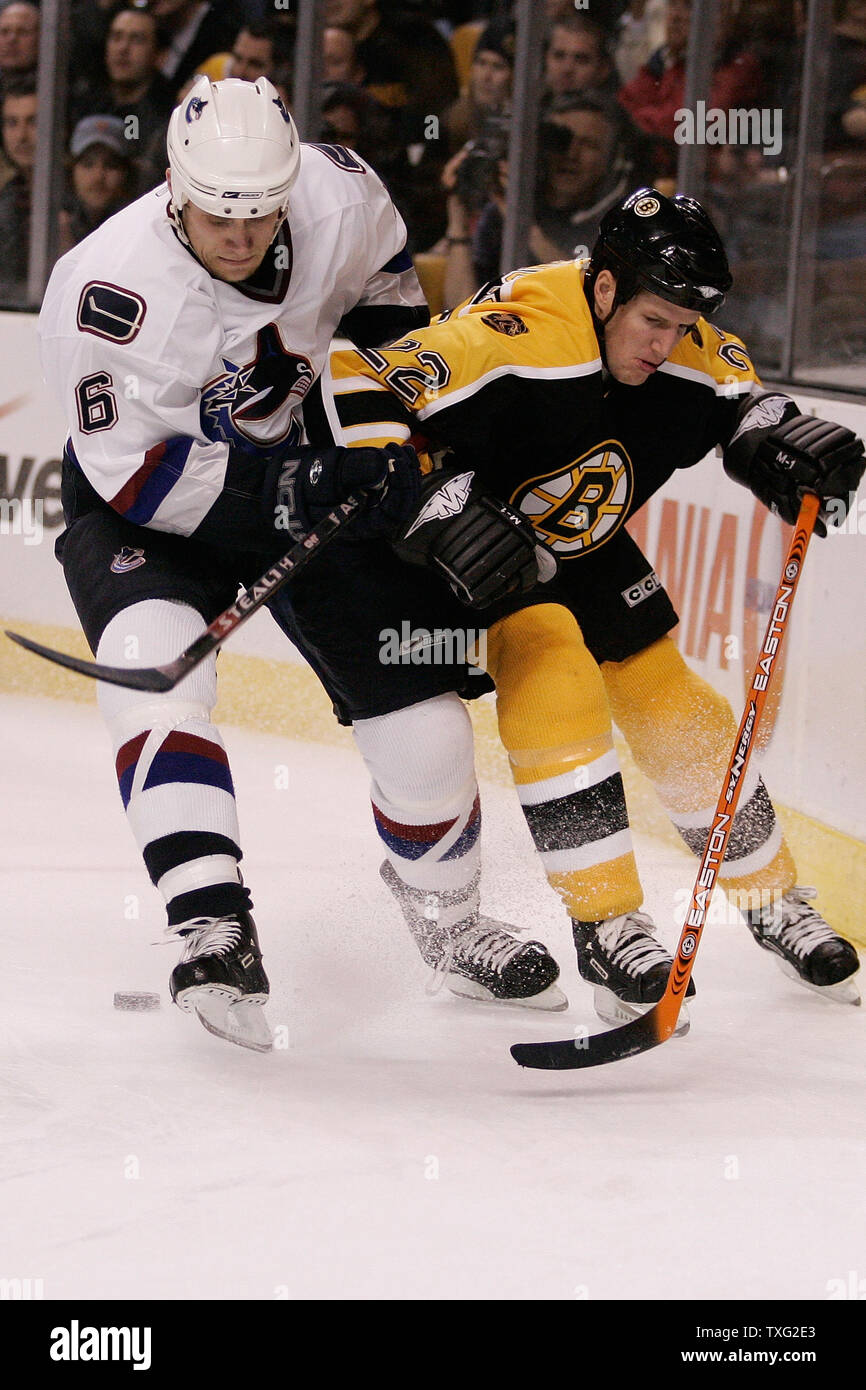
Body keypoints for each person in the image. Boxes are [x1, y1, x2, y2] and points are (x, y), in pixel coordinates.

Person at [281, 187, 863, 1026]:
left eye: (682, 325)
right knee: (555, 664)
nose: (668, 345)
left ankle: (774, 902)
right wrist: (435, 506)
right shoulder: (522, 331)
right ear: (603, 290)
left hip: (580, 541)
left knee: (673, 699)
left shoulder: (683, 334)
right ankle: (608, 924)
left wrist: (782, 444)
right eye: (653, 322)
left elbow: (746, 402)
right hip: (477, 545)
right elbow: (354, 378)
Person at [37, 75, 435, 1051]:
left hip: (304, 475)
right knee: (153, 676)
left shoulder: (339, 193)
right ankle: (212, 926)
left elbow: (389, 289)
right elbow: (139, 478)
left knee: (425, 731)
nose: (241, 233)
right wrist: (291, 495)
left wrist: (381, 426)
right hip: (156, 514)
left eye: (259, 213)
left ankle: (452, 915)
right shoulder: (106, 288)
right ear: (175, 185)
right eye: (219, 212)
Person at [58, 115, 141, 254]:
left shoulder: (141, 228)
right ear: (71, 171)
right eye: (88, 164)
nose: (98, 177)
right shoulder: (54, 225)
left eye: (111, 165)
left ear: (126, 174)